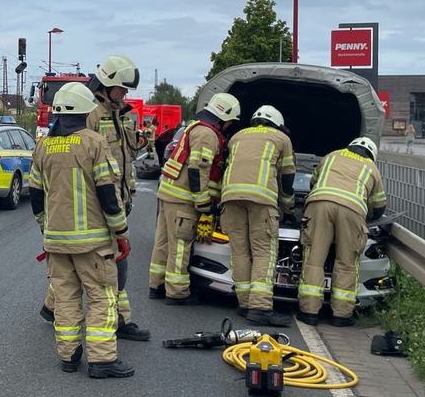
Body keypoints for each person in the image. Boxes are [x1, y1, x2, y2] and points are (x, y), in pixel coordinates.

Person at [29, 82, 135, 378]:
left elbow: (35, 195)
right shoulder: (94, 143)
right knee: (102, 298)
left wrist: (46, 230)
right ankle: (102, 360)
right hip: (93, 244)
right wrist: (121, 233)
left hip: (56, 243)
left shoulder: (43, 146)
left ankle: (69, 357)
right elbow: (108, 195)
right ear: (86, 111)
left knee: (65, 299)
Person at [41, 55, 149, 341]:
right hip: (99, 203)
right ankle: (119, 321)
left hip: (118, 198)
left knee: (83, 264)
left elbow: (126, 155)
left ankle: (52, 307)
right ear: (107, 84)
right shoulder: (90, 114)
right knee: (113, 262)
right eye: (122, 88)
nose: (125, 94)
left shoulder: (119, 113)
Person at [149, 92, 240, 304]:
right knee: (180, 246)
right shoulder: (207, 135)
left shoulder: (195, 127)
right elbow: (198, 170)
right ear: (222, 116)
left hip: (169, 195)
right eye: (230, 121)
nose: (229, 126)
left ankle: (157, 285)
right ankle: (177, 292)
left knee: (163, 243)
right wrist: (204, 204)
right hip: (184, 200)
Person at [296, 136, 387, 327]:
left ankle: (309, 312)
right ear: (371, 154)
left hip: (320, 204)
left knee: (314, 260)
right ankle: (341, 315)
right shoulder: (372, 168)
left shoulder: (331, 156)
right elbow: (379, 207)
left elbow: (313, 183)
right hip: (352, 210)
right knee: (347, 263)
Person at [219, 105, 296, 326]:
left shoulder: (237, 137)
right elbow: (287, 178)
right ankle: (260, 308)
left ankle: (245, 304)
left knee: (240, 252)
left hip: (230, 198)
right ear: (277, 122)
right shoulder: (282, 138)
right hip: (261, 201)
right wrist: (288, 209)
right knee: (264, 253)